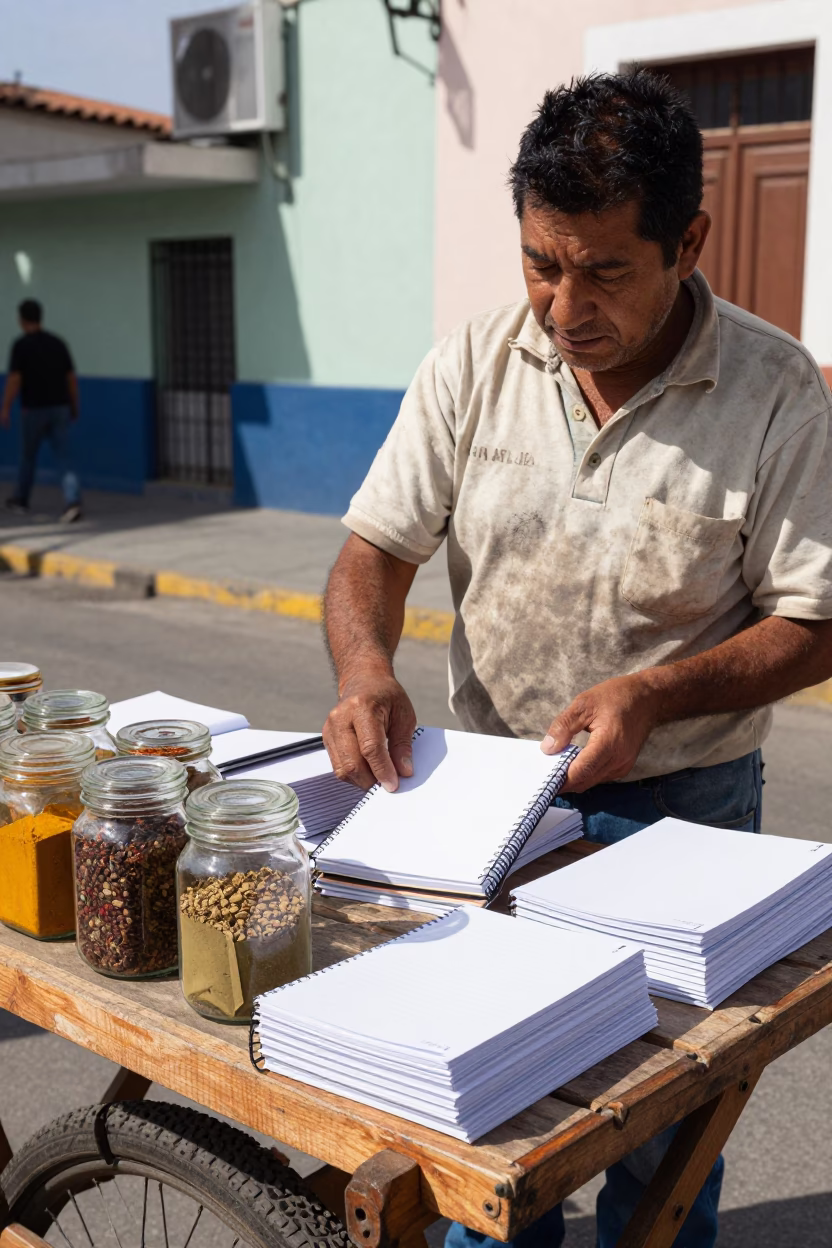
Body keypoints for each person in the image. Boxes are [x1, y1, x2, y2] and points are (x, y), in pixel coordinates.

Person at [320, 70, 832, 1247]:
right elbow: (372, 555)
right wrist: (365, 673)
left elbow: (814, 620)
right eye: (540, 265)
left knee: (659, 1144)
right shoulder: (473, 363)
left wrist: (656, 692)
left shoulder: (773, 392)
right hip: (484, 814)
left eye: (602, 270)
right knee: (487, 1133)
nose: (561, 307)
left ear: (686, 241)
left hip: (683, 817)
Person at [0, 298, 82, 522]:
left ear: (21, 320)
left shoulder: (21, 345)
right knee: (64, 456)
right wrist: (74, 405)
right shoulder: (58, 343)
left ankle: (21, 499)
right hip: (60, 407)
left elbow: (15, 379)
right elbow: (70, 378)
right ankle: (72, 501)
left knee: (28, 456)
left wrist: (5, 407)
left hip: (33, 409)